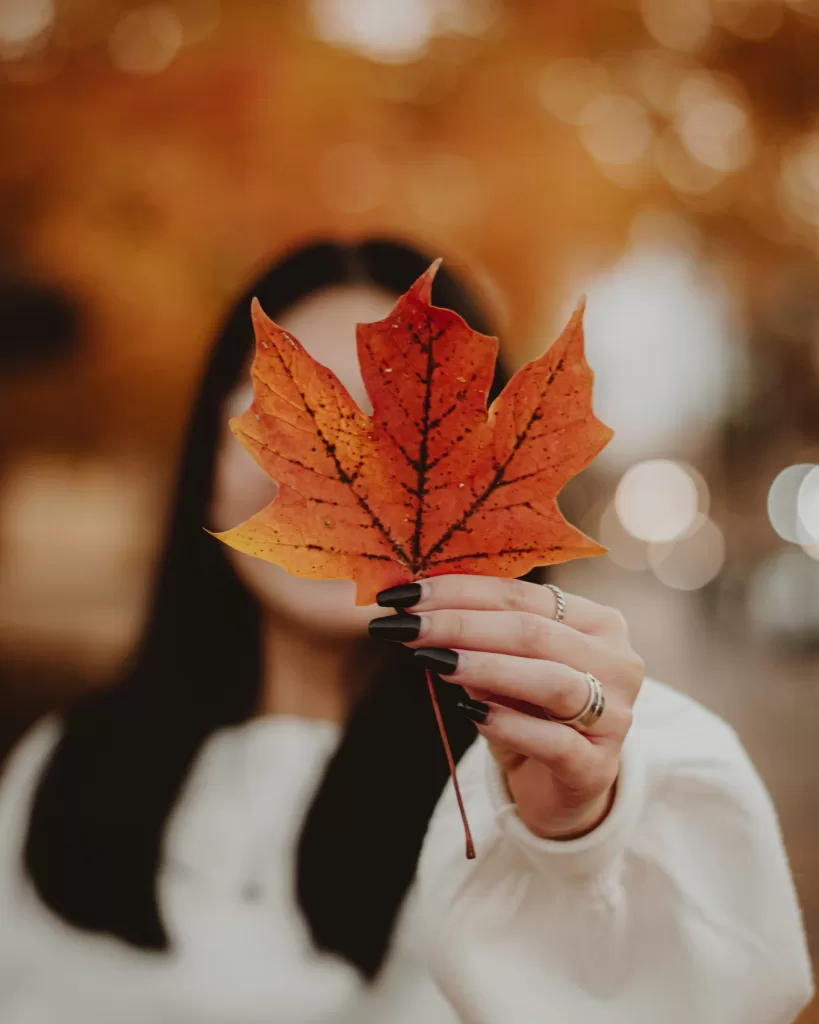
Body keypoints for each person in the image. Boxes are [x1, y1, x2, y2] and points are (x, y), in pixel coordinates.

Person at [0, 239, 811, 1024]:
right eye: (292, 413)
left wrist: (579, 839)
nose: (346, 466)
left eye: (383, 416)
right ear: (205, 470)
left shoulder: (578, 763)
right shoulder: (63, 764)